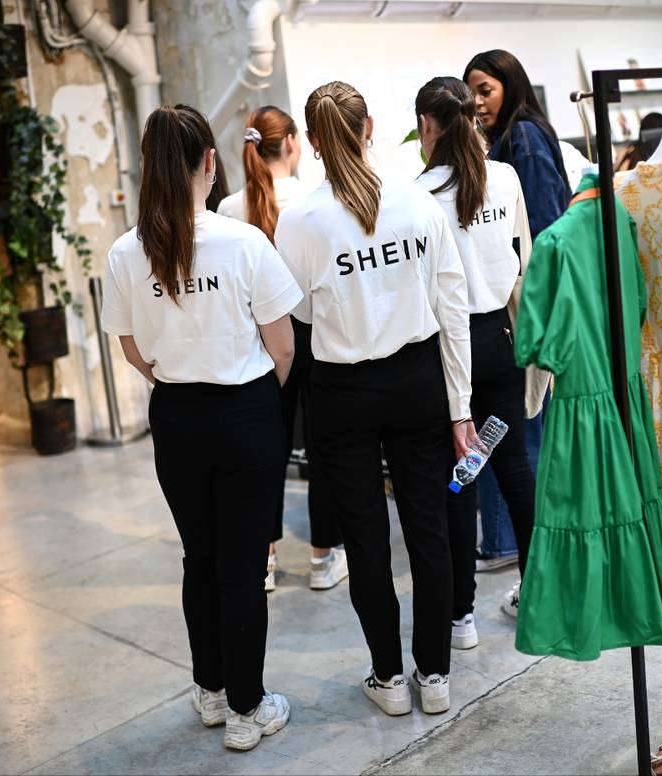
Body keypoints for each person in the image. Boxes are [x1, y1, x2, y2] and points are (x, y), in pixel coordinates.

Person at [101, 104, 300, 752]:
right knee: (243, 567)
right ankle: (248, 710)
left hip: (177, 418)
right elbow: (285, 347)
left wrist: (177, 383)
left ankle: (212, 692)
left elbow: (131, 348)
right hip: (244, 412)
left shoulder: (127, 252)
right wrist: (247, 398)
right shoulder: (243, 242)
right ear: (210, 165)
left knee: (201, 558)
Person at [274, 81, 473, 717]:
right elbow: (453, 308)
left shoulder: (301, 220)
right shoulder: (417, 204)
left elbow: (299, 310)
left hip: (343, 392)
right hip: (418, 382)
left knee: (364, 538)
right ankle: (434, 675)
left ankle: (389, 677)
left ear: (313, 141)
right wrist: (460, 405)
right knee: (428, 531)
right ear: (369, 127)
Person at [413, 76, 537, 652]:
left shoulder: (419, 196)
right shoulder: (505, 178)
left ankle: (460, 617)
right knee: (513, 468)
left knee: (458, 483)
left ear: (427, 126)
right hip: (502, 339)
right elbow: (523, 260)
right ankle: (539, 594)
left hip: (448, 352)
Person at [218, 105, 348, 594]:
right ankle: (322, 559)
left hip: (260, 343)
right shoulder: (311, 201)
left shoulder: (231, 209)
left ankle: (265, 561)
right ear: (292, 143)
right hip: (314, 337)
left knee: (265, 454)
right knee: (324, 451)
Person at [464, 49, 568, 616]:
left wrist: (537, 298)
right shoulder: (508, 139)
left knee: (517, 426)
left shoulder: (522, 139)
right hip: (512, 305)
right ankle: (503, 541)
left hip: (521, 304)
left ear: (510, 85)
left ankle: (505, 542)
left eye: (486, 90)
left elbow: (546, 225)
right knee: (511, 427)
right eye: (471, 93)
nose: (478, 103)